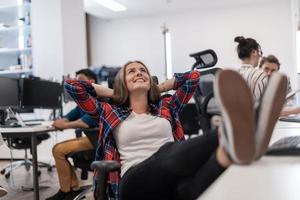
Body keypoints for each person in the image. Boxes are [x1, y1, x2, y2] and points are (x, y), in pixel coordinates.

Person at [64, 60, 287, 200]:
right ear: (122, 82)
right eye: (131, 71)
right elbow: (72, 86)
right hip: (134, 182)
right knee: (167, 150)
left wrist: (157, 88)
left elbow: (193, 78)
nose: (139, 73)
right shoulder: (110, 111)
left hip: (172, 180)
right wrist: (115, 93)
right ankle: (233, 131)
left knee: (192, 188)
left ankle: (229, 150)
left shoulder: (166, 105)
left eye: (143, 70)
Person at [46, 69, 99, 200]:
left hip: (99, 141)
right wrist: (60, 121)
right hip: (91, 139)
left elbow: (84, 123)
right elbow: (69, 117)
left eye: (80, 79)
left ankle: (67, 190)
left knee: (58, 150)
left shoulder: (97, 99)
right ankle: (71, 189)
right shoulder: (82, 102)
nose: (76, 83)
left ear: (91, 82)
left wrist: (63, 125)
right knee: (58, 150)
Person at [234, 36, 269, 101]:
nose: (260, 56)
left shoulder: (232, 75)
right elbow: (263, 106)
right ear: (254, 52)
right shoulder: (260, 75)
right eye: (260, 53)